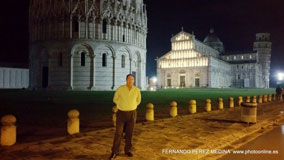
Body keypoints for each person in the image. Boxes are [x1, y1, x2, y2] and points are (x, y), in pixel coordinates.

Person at [109, 74, 141, 160]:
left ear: (134, 81)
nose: (131, 81)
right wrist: (121, 105)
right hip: (121, 114)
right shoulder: (121, 89)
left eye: (132, 79)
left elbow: (138, 100)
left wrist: (132, 106)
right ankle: (114, 152)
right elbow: (115, 99)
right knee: (118, 133)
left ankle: (127, 150)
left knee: (129, 133)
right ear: (126, 80)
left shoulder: (136, 90)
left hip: (132, 114)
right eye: (129, 79)